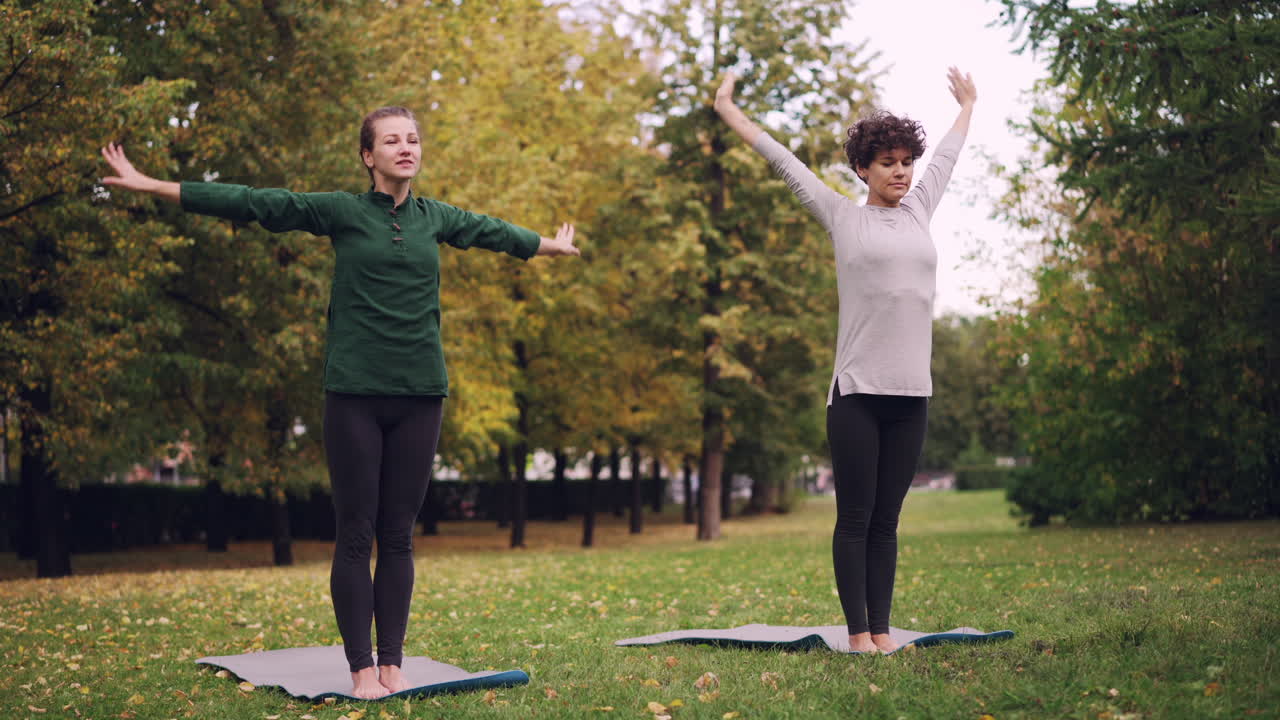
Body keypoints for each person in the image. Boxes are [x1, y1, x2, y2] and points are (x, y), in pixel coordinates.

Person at [100, 106, 580, 697]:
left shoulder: (436, 218)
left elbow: (494, 232)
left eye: (414, 139)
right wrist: (154, 186)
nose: (407, 148)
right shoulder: (342, 212)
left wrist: (546, 248)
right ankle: (360, 671)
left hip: (421, 394)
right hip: (353, 394)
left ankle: (393, 666)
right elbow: (256, 202)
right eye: (392, 141)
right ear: (367, 156)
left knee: (399, 535)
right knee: (356, 533)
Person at [714, 68, 977, 653]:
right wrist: (727, 108)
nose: (902, 172)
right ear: (863, 169)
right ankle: (858, 636)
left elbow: (949, 159)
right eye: (887, 162)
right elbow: (781, 159)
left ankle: (883, 632)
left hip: (913, 395)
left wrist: (968, 105)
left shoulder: (920, 210)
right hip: (856, 393)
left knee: (888, 522)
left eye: (907, 160)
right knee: (855, 518)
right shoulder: (842, 216)